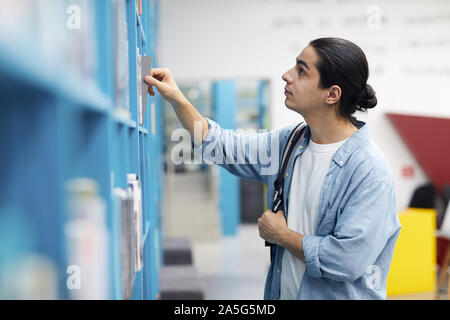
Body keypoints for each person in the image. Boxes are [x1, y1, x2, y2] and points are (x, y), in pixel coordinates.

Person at [144, 37, 401, 300]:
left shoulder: (369, 172)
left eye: (301, 71)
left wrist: (282, 235)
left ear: (332, 94)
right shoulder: (289, 143)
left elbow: (347, 260)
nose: (286, 75)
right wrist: (177, 99)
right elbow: (222, 146)